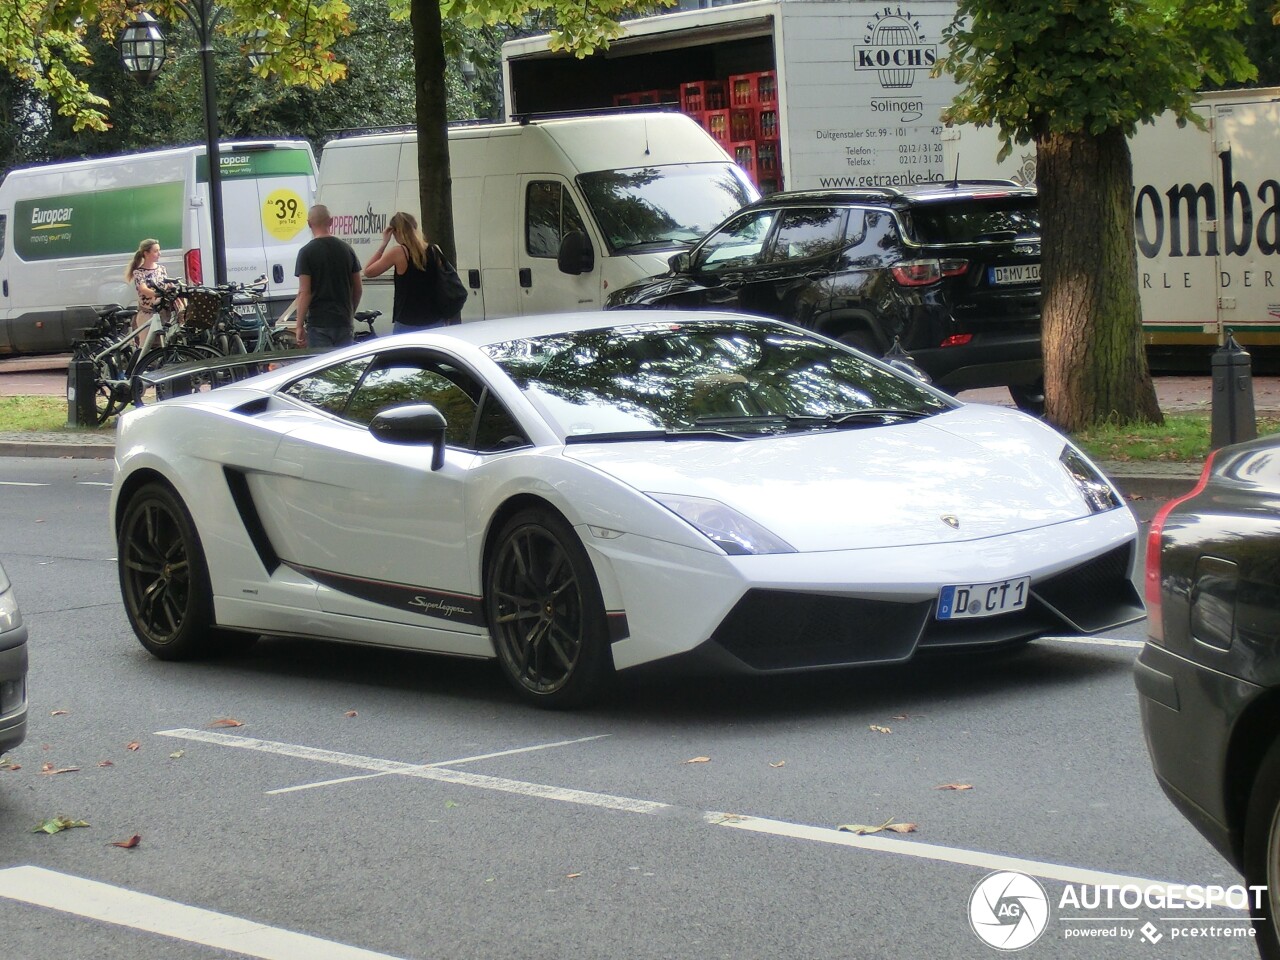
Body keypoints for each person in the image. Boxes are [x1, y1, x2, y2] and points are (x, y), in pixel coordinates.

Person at [362, 211, 455, 333]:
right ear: (415, 227)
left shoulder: (399, 252)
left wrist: (383, 244)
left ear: (395, 232)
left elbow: (368, 272)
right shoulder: (434, 249)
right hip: (435, 320)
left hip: (407, 321)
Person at [294, 205, 362, 349]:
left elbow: (305, 292)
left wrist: (299, 325)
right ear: (331, 222)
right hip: (343, 321)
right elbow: (358, 288)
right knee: (344, 368)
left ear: (309, 223)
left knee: (323, 367)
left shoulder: (306, 253)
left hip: (319, 323)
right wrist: (350, 312)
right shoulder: (347, 249)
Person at [125, 239, 179, 336]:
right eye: (156, 251)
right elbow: (143, 289)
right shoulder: (139, 272)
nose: (159, 253)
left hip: (162, 312)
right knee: (145, 344)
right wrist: (158, 294)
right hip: (147, 313)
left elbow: (165, 284)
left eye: (159, 250)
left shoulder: (161, 269)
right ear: (146, 253)